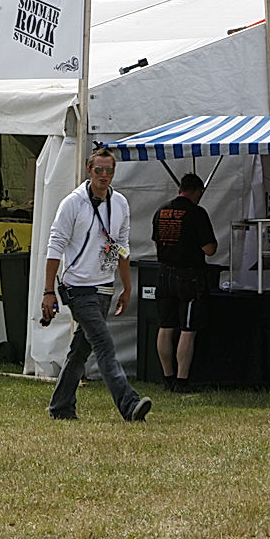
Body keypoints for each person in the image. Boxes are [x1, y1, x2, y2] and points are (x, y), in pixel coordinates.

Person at [41, 148, 151, 422]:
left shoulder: (120, 204)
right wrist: (47, 291)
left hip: (104, 288)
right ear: (89, 171)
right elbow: (55, 246)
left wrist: (126, 286)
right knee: (103, 343)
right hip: (78, 289)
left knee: (81, 350)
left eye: (109, 170)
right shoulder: (73, 203)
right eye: (99, 170)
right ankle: (129, 404)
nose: (104, 175)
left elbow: (120, 248)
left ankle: (61, 406)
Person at [152, 173, 217, 393]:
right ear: (197, 192)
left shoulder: (161, 211)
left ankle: (167, 376)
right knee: (187, 329)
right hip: (189, 276)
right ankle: (182, 380)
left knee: (165, 327)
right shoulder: (197, 213)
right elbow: (209, 249)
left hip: (163, 274)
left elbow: (156, 243)